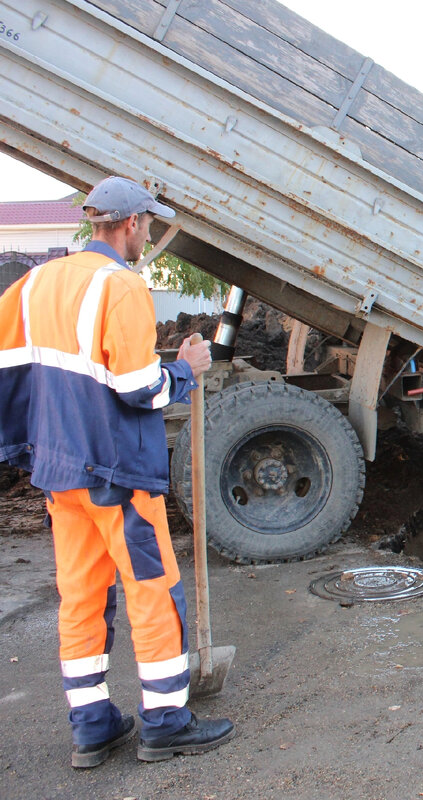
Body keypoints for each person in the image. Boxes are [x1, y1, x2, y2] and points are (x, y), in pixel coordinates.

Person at [0, 176, 235, 767]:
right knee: (152, 592)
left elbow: (14, 374)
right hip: (119, 478)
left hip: (59, 473)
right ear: (130, 225)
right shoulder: (123, 287)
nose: (149, 232)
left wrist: (30, 444)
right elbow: (137, 388)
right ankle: (164, 721)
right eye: (149, 223)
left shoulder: (31, 285)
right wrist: (186, 369)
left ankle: (92, 727)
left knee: (80, 598)